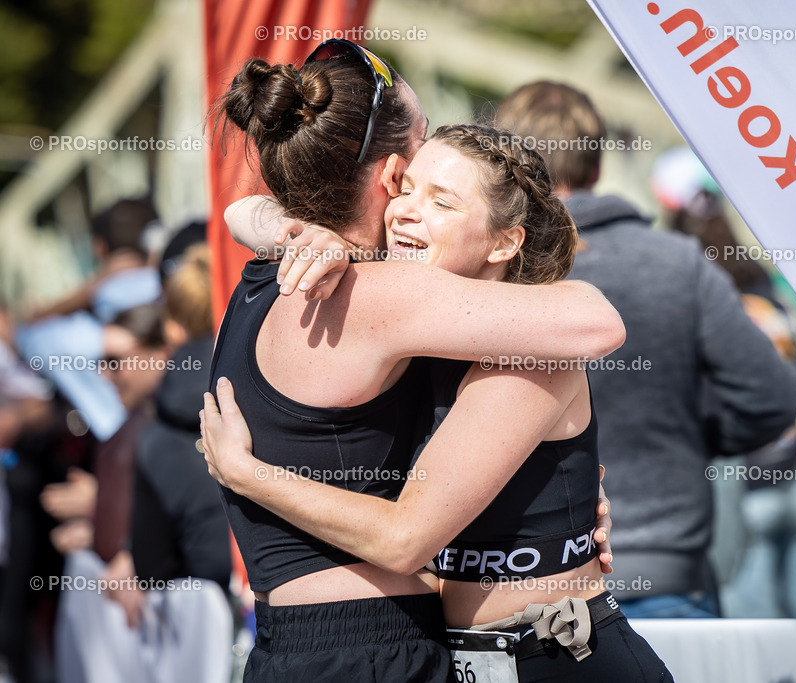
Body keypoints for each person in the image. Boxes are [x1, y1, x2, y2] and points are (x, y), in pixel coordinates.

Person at [205, 42, 623, 682]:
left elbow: (242, 211)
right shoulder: (386, 294)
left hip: (289, 645)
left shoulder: (259, 284)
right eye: (416, 168)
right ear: (391, 174)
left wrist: (552, 511)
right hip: (377, 647)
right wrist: (245, 472)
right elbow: (597, 322)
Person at [493, 81, 796, 618]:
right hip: (670, 577)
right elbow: (772, 395)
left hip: (526, 582)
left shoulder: (499, 268)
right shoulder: (678, 262)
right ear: (595, 165)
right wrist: (692, 436)